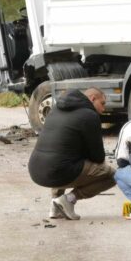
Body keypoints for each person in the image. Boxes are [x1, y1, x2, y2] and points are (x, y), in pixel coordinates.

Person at [27, 88, 115, 220]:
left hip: (35, 170)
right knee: (113, 175)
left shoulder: (55, 110)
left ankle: (55, 205)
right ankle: (69, 199)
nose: (103, 109)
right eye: (102, 104)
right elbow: (98, 157)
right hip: (59, 172)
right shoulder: (89, 115)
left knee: (61, 156)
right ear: (92, 99)